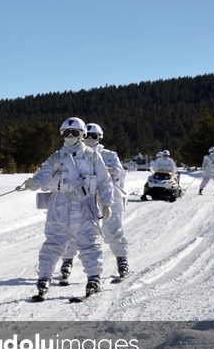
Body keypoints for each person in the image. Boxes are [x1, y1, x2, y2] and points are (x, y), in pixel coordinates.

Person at [17, 117, 115, 299]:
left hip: (85, 205)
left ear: (82, 135)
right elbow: (45, 175)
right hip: (60, 206)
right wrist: (34, 182)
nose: (70, 136)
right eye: (66, 133)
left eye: (74, 133)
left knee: (90, 244)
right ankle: (44, 278)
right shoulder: (56, 157)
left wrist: (107, 203)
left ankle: (94, 278)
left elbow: (103, 181)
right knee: (52, 243)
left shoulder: (93, 156)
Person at [58, 123, 130, 282]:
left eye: (94, 136)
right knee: (74, 229)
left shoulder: (109, 155)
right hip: (84, 197)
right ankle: (67, 260)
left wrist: (105, 170)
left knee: (113, 229)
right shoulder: (77, 153)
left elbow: (120, 174)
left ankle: (121, 259)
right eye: (88, 135)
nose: (90, 138)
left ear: (99, 138)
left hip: (106, 197)